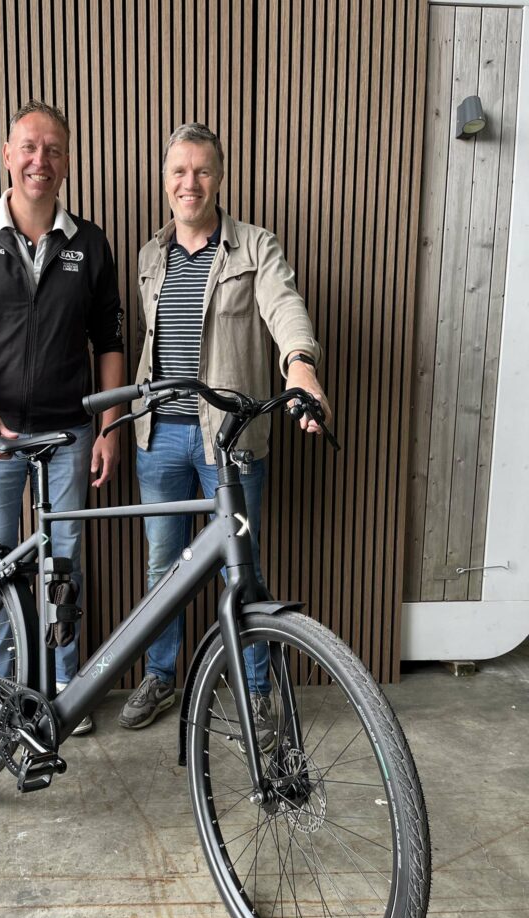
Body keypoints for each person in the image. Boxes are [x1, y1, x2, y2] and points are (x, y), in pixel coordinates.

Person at [119, 123, 331, 741]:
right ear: (165, 183)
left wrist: (300, 363)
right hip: (158, 436)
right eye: (179, 171)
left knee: (243, 568)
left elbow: (283, 305)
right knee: (163, 568)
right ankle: (161, 676)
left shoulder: (255, 247)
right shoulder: (148, 254)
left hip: (228, 443)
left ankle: (256, 689)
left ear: (220, 177)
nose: (190, 183)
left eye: (202, 170)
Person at [0, 100, 124, 738]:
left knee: (63, 560)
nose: (40, 160)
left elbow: (110, 342)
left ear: (67, 162)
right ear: (8, 154)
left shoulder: (89, 243)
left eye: (53, 149)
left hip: (69, 432)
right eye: (29, 147)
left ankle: (63, 687)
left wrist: (109, 424)